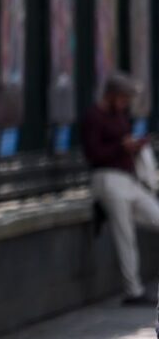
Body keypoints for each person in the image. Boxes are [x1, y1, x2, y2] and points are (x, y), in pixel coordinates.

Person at [81, 70, 159, 306]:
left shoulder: (120, 116)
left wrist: (134, 146)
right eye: (123, 98)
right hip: (108, 179)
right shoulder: (93, 117)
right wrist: (121, 147)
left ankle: (134, 288)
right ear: (112, 95)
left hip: (129, 179)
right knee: (125, 235)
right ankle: (133, 290)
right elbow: (93, 154)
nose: (125, 104)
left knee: (154, 215)